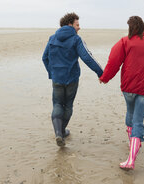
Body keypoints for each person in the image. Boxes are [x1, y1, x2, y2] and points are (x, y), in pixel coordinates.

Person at [99, 16, 144, 170]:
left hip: (129, 87)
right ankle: (134, 143)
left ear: (130, 28)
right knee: (137, 119)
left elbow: (113, 62)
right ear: (143, 27)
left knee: (132, 117)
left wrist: (105, 78)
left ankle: (131, 158)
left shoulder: (125, 42)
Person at [42, 12, 103, 147]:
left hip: (57, 78)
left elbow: (44, 58)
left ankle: (59, 133)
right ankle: (62, 131)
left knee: (57, 104)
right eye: (77, 24)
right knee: (68, 105)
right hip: (71, 78)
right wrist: (101, 73)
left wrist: (52, 72)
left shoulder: (52, 38)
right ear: (69, 24)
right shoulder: (76, 39)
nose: (79, 27)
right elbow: (87, 57)